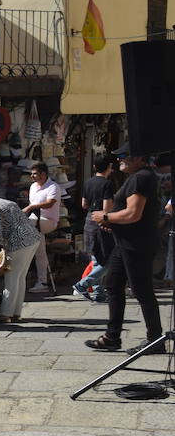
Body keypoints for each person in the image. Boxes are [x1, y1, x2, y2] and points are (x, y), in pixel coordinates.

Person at [86, 148, 164, 352]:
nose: (119, 160)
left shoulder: (141, 178)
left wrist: (105, 217)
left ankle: (155, 339)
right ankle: (112, 337)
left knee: (142, 290)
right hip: (126, 242)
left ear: (138, 158)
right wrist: (113, 223)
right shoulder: (139, 177)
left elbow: (133, 214)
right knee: (112, 284)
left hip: (136, 243)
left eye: (123, 157)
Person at [0, 197, 43, 323]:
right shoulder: (2, 202)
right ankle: (16, 312)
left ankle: (5, 313)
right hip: (32, 237)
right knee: (20, 277)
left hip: (18, 242)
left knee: (11, 278)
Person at [76, 158, 116, 302]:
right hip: (101, 221)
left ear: (94, 167)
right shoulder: (107, 184)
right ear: (109, 167)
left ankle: (99, 293)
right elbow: (107, 208)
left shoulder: (88, 182)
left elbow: (84, 204)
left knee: (96, 258)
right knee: (108, 260)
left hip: (89, 220)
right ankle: (83, 284)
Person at [24, 163, 63, 293]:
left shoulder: (53, 187)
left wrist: (31, 207)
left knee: (30, 225)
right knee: (40, 252)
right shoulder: (33, 187)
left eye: (34, 173)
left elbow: (49, 203)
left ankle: (42, 281)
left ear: (43, 174)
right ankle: (42, 281)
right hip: (35, 222)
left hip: (48, 222)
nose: (32, 176)